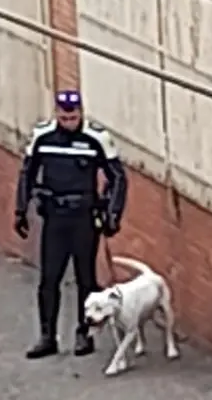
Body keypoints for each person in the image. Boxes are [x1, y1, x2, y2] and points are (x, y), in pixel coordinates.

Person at [14, 89, 127, 359]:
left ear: (81, 113)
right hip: (53, 216)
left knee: (85, 278)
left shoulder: (96, 138)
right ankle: (47, 336)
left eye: (74, 117)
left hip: (84, 217)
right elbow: (27, 174)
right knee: (49, 278)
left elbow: (118, 178)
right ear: (57, 114)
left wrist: (113, 213)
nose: (69, 121)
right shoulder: (43, 136)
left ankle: (83, 333)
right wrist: (20, 210)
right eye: (64, 117)